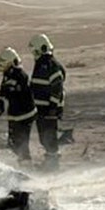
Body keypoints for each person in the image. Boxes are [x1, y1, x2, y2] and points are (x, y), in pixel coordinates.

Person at [0, 47, 36, 163]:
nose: (1, 66)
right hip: (15, 115)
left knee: (21, 145)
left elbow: (13, 93)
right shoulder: (7, 75)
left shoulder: (20, 76)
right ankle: (24, 161)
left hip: (24, 115)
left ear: (10, 63)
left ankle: (27, 166)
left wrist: (3, 101)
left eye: (3, 63)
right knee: (13, 143)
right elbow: (4, 91)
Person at [28, 33, 65, 170]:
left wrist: (53, 107)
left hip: (49, 109)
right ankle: (50, 162)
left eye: (35, 51)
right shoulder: (40, 64)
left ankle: (53, 165)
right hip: (41, 109)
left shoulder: (51, 65)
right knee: (44, 137)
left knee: (49, 137)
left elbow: (57, 88)